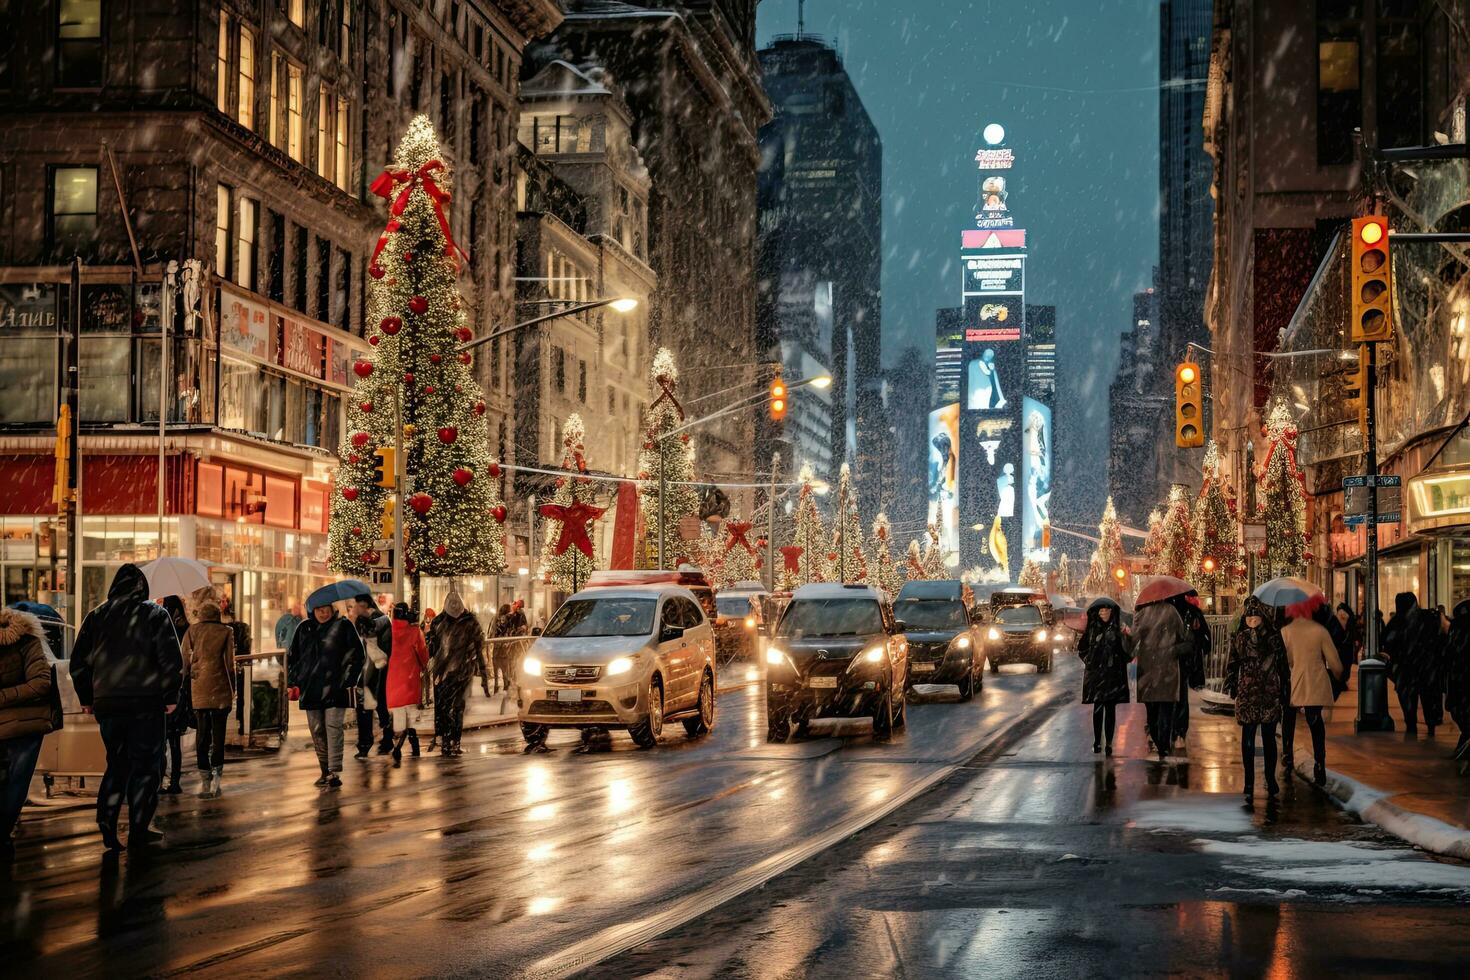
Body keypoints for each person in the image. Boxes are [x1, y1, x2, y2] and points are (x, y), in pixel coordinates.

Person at [70, 564, 183, 852]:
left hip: (109, 703)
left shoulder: (96, 616)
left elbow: (79, 663)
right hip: (146, 702)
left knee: (117, 763)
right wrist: (170, 695)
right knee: (146, 766)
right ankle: (139, 827)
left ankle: (107, 819)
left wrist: (86, 697)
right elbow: (170, 658)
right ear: (142, 588)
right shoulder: (155, 615)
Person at [287, 600, 363, 788]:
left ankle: (334, 771)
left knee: (333, 726)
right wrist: (293, 681)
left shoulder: (343, 626)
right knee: (317, 730)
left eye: (326, 609)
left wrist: (349, 680)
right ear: (313, 611)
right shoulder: (304, 628)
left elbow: (357, 655)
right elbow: (293, 657)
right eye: (319, 610)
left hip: (336, 688)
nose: (323, 613)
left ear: (332, 609)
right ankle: (324, 769)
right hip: (310, 688)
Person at [0, 606, 56, 861]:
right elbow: (42, 681)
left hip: (22, 728)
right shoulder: (30, 640)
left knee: (11, 783)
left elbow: (41, 681)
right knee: (16, 783)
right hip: (26, 725)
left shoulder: (26, 641)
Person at [1224, 597, 1290, 805]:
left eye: (1255, 616)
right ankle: (1256, 780)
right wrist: (1232, 683)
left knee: (1262, 737)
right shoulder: (1253, 637)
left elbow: (1281, 665)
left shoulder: (1266, 637)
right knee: (1254, 736)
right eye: (1250, 616)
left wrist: (1285, 689)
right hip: (1256, 691)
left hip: (1262, 691)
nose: (1252, 619)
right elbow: (1233, 663)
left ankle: (1262, 779)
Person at [1281, 604, 1345, 787]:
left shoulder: (1285, 632)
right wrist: (1339, 676)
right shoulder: (1320, 631)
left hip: (1295, 682)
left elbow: (1284, 661)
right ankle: (1319, 762)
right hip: (1315, 682)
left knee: (1289, 717)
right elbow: (1336, 665)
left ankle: (1287, 753)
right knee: (1315, 722)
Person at [181, 601, 235, 799]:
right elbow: (230, 663)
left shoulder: (192, 631)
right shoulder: (226, 631)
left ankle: (205, 778)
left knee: (202, 734)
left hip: (200, 689)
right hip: (220, 688)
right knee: (219, 734)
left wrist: (187, 679)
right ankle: (217, 777)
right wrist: (233, 689)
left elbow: (184, 660)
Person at [428, 591, 488, 756]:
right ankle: (453, 741)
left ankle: (447, 740)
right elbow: (479, 647)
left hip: (447, 672)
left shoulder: (439, 622)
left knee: (447, 707)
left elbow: (432, 648)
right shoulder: (469, 622)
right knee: (455, 707)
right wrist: (483, 672)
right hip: (458, 672)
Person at [1133, 598, 1192, 761]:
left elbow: (1132, 641)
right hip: (1165, 671)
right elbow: (1186, 640)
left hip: (1150, 670)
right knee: (1164, 710)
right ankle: (1163, 746)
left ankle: (1162, 744)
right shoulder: (1172, 612)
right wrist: (1173, 650)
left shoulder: (1144, 614)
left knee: (1154, 711)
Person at [1382, 592, 1446, 735]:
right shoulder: (1429, 617)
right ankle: (1430, 726)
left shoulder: (1396, 623)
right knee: (1429, 699)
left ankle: (1412, 725)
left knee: (1408, 702)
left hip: (1407, 671)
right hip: (1427, 669)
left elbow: (1387, 645)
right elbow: (1442, 635)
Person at [1076, 597, 1132, 755]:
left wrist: (1126, 637)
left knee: (1110, 709)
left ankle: (1108, 742)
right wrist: (1090, 660)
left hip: (1113, 675)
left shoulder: (1118, 629)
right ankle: (1096, 741)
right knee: (1098, 708)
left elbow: (1127, 653)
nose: (1104, 613)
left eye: (1106, 610)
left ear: (1111, 612)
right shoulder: (1092, 629)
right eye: (1101, 610)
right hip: (1097, 675)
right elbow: (1082, 649)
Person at [386, 603, 430, 768]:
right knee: (409, 714)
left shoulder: (389, 632)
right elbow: (422, 652)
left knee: (397, 713)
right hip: (409, 679)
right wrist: (424, 665)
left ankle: (393, 738)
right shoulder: (413, 632)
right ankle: (412, 742)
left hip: (392, 680)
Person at [353, 594, 394, 758]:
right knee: (369, 706)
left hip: (377, 669)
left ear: (367, 606)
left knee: (375, 706)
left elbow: (382, 644)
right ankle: (374, 741)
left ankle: (379, 739)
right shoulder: (365, 621)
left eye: (360, 606)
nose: (358, 608)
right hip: (370, 669)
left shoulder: (376, 620)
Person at [159, 596, 193, 795]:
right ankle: (174, 781)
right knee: (173, 741)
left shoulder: (164, 629)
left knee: (164, 740)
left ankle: (163, 779)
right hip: (179, 690)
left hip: (168, 691)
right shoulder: (186, 629)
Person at [1169, 594, 1210, 748]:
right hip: (1186, 659)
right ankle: (1179, 732)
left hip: (1171, 660)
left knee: (1173, 696)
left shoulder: (1167, 611)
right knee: (1181, 696)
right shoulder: (1192, 611)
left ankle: (1174, 731)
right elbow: (1204, 636)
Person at [1445, 599, 1470, 762]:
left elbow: (1450, 652)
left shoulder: (1457, 628)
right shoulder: (1459, 628)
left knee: (1459, 710)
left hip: (1459, 677)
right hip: (1461, 676)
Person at [1334, 602, 1362, 687]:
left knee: (1343, 663)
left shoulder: (1340, 615)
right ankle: (1343, 681)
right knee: (1346, 663)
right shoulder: (1350, 619)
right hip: (1347, 645)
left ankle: (1342, 681)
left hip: (1343, 645)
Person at [490, 603, 513, 694]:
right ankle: (505, 685)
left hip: (496, 646)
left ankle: (496, 686)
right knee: (504, 666)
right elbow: (506, 630)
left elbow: (492, 631)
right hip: (503, 646)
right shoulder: (504, 618)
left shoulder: (495, 617)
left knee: (496, 667)